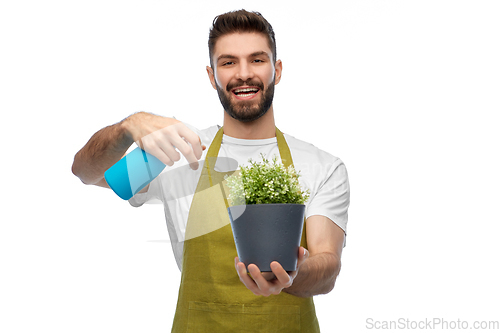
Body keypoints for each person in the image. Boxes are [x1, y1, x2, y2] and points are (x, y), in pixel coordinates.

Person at [72, 9, 350, 332]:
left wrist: (291, 274)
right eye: (228, 62)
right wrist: (128, 127)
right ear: (211, 75)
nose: (243, 74)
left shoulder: (320, 166)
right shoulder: (178, 151)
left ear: (277, 69)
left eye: (257, 60)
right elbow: (87, 173)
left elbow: (328, 266)